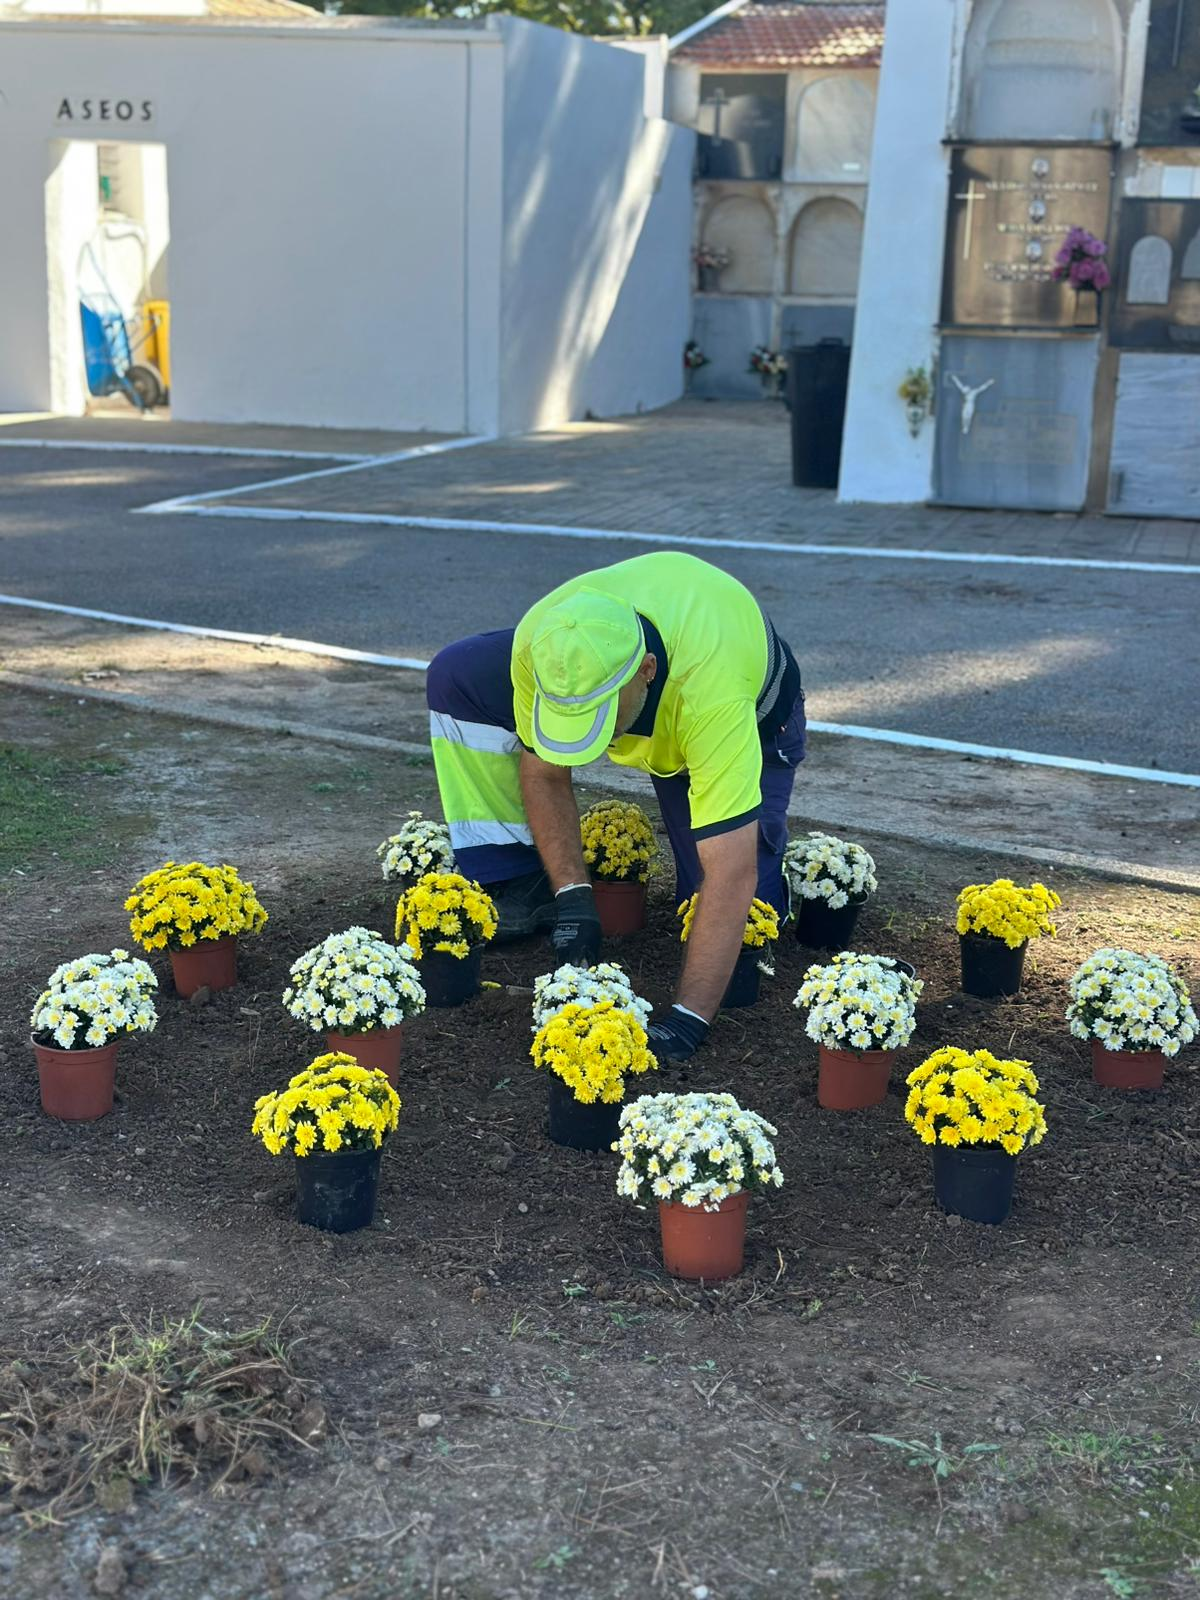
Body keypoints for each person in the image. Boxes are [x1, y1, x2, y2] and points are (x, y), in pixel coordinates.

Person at [425, 551, 805, 1062]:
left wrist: (687, 1020)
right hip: (663, 705)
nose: (592, 740)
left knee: (741, 910)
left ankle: (778, 874)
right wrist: (575, 896)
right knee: (460, 671)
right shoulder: (547, 643)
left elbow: (730, 875)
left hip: (754, 722)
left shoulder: (711, 695)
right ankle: (515, 877)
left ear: (647, 670)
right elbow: (544, 770)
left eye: (601, 715)